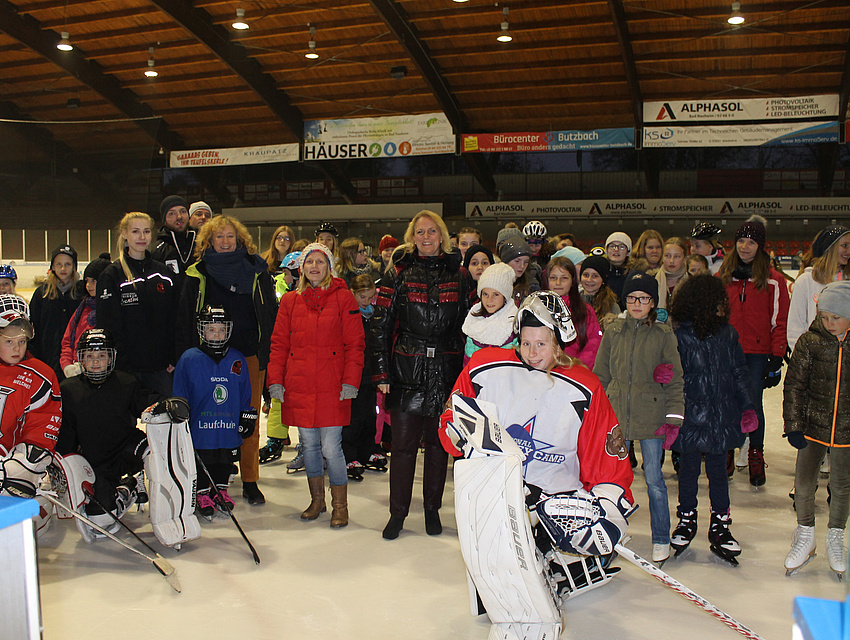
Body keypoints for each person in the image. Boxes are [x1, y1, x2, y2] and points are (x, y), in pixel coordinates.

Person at [439, 291, 634, 632]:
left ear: (558, 342)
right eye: (526, 343)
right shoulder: (486, 365)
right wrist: (455, 431)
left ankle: (563, 561)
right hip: (498, 493)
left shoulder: (585, 385)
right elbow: (456, 412)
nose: (532, 353)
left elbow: (604, 452)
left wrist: (609, 503)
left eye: (542, 344)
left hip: (556, 498)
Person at [371, 209, 475, 540]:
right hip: (406, 367)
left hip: (446, 369)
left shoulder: (458, 275)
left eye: (432, 231)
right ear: (412, 237)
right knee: (401, 445)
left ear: (442, 236)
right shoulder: (397, 273)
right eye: (420, 232)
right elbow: (380, 325)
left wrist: (465, 375)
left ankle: (432, 509)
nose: (426, 237)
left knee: (437, 444)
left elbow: (467, 327)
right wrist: (382, 372)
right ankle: (397, 513)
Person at [176, 215, 277, 506]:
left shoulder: (256, 270)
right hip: (207, 359)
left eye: (230, 236)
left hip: (247, 356)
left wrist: (266, 352)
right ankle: (206, 478)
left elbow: (269, 311)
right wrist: (184, 354)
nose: (224, 241)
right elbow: (184, 317)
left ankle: (250, 480)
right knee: (208, 416)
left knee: (249, 420)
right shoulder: (198, 272)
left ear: (240, 239)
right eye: (218, 237)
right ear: (208, 241)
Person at [268, 243, 364, 528]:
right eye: (309, 262)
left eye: (320, 262)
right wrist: (275, 380)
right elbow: (279, 345)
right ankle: (317, 500)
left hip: (332, 384)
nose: (314, 267)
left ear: (329, 267)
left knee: (332, 447)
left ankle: (340, 505)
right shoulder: (289, 302)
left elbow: (355, 344)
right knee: (308, 445)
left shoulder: (344, 298)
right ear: (301, 267)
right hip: (299, 383)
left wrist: (350, 380)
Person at [594, 272, 683, 564]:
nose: (637, 303)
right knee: (611, 481)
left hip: (650, 415)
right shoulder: (614, 331)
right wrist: (595, 413)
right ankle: (609, 534)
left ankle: (660, 537)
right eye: (632, 298)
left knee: (655, 479)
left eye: (643, 299)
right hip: (617, 414)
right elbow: (601, 374)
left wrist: (673, 418)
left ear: (652, 303)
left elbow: (675, 379)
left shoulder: (662, 334)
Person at [668, 275, 755, 565]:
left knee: (719, 473)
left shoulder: (727, 334)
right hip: (691, 416)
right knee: (689, 471)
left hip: (720, 415)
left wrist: (747, 407)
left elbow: (739, 372)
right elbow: (670, 374)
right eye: (716, 302)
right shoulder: (679, 336)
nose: (722, 306)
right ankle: (687, 518)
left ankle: (720, 523)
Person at [57, 329, 161, 530]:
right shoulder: (68, 389)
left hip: (126, 449)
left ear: (111, 357)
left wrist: (168, 404)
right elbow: (66, 435)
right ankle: (127, 489)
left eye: (101, 356)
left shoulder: (126, 382)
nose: (96, 362)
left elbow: (147, 402)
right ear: (81, 359)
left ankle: (163, 511)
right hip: (94, 462)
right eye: (90, 356)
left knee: (155, 455)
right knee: (101, 521)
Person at [783, 280, 850, 579]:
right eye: (825, 317)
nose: (829, 323)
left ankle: (836, 535)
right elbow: (795, 385)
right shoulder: (810, 342)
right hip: (812, 427)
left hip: (847, 431)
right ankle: (805, 533)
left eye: (836, 317)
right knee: (804, 483)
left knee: (842, 485)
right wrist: (795, 425)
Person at [718, 215, 790, 487]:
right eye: (740, 241)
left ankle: (755, 453)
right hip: (727, 351)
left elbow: (779, 320)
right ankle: (726, 450)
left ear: (760, 246)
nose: (745, 247)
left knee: (753, 404)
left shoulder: (773, 281)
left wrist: (777, 355)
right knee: (726, 402)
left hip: (758, 353)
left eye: (751, 242)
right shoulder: (723, 276)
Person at [174, 306, 255, 518]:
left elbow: (244, 390)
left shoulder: (236, 358)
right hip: (201, 425)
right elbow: (180, 393)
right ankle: (201, 493)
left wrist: (247, 413)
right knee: (203, 457)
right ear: (202, 330)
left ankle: (220, 490)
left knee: (224, 458)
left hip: (227, 424)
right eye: (211, 329)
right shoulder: (189, 358)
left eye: (221, 329)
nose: (217, 334)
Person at [97, 213, 176, 397]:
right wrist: (120, 364)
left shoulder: (163, 273)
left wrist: (173, 355)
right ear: (124, 234)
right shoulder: (112, 275)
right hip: (126, 369)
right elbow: (107, 325)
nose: (142, 237)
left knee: (166, 421)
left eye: (146, 231)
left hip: (160, 367)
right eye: (135, 231)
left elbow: (172, 318)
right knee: (126, 423)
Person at [0, 295, 61, 535]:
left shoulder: (40, 376)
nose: (16, 348)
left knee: (10, 525)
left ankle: (38, 509)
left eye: (22, 341)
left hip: (9, 468)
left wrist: (15, 469)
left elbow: (41, 432)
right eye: (8, 341)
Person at [342, 274, 385, 480]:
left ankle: (368, 450)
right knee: (353, 416)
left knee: (370, 413)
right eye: (363, 297)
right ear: (353, 294)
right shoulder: (348, 314)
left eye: (370, 298)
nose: (367, 302)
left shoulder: (374, 315)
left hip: (371, 373)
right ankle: (349, 455)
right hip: (353, 373)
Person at [787, 225, 850, 352]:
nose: (849, 251)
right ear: (830, 248)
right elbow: (796, 326)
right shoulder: (806, 281)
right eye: (845, 246)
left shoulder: (848, 279)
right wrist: (802, 358)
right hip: (815, 359)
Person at [29, 244, 82, 380]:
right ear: (52, 267)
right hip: (47, 359)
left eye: (68, 264)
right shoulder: (42, 294)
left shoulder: (82, 293)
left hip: (74, 362)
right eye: (59, 264)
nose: (63, 269)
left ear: (74, 266)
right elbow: (34, 328)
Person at [60, 252, 111, 379]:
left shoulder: (112, 311)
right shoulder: (82, 308)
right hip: (77, 374)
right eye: (87, 281)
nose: (88, 286)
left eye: (94, 281)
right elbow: (67, 342)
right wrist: (67, 366)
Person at [545, 256, 601, 369]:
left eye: (564, 278)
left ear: (572, 281)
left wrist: (576, 367)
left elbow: (593, 345)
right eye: (553, 278)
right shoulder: (535, 308)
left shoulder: (585, 311)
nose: (558, 283)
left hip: (573, 371)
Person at [462, 262, 517, 366]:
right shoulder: (474, 320)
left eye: (495, 295)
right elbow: (468, 362)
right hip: (477, 377)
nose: (489, 300)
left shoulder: (512, 324)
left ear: (505, 296)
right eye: (485, 294)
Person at [151, 195, 196, 277]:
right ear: (164, 220)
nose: (179, 217)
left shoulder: (201, 242)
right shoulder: (157, 249)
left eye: (183, 211)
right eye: (172, 213)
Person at [579, 255, 620, 332]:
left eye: (595, 276)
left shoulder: (611, 306)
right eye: (586, 275)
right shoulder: (573, 301)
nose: (589, 280)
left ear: (603, 279)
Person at [655, 236, 689, 320]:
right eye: (667, 256)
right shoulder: (652, 280)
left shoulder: (692, 282)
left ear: (684, 259)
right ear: (662, 257)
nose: (671, 261)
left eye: (677, 256)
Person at [500, 238, 538, 307]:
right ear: (506, 262)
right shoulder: (495, 283)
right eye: (517, 261)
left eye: (526, 262)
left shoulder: (532, 286)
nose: (522, 266)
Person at [605, 232, 632, 302]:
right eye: (612, 246)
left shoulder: (634, 274)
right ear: (606, 250)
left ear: (628, 251)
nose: (616, 249)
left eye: (621, 247)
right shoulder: (600, 271)